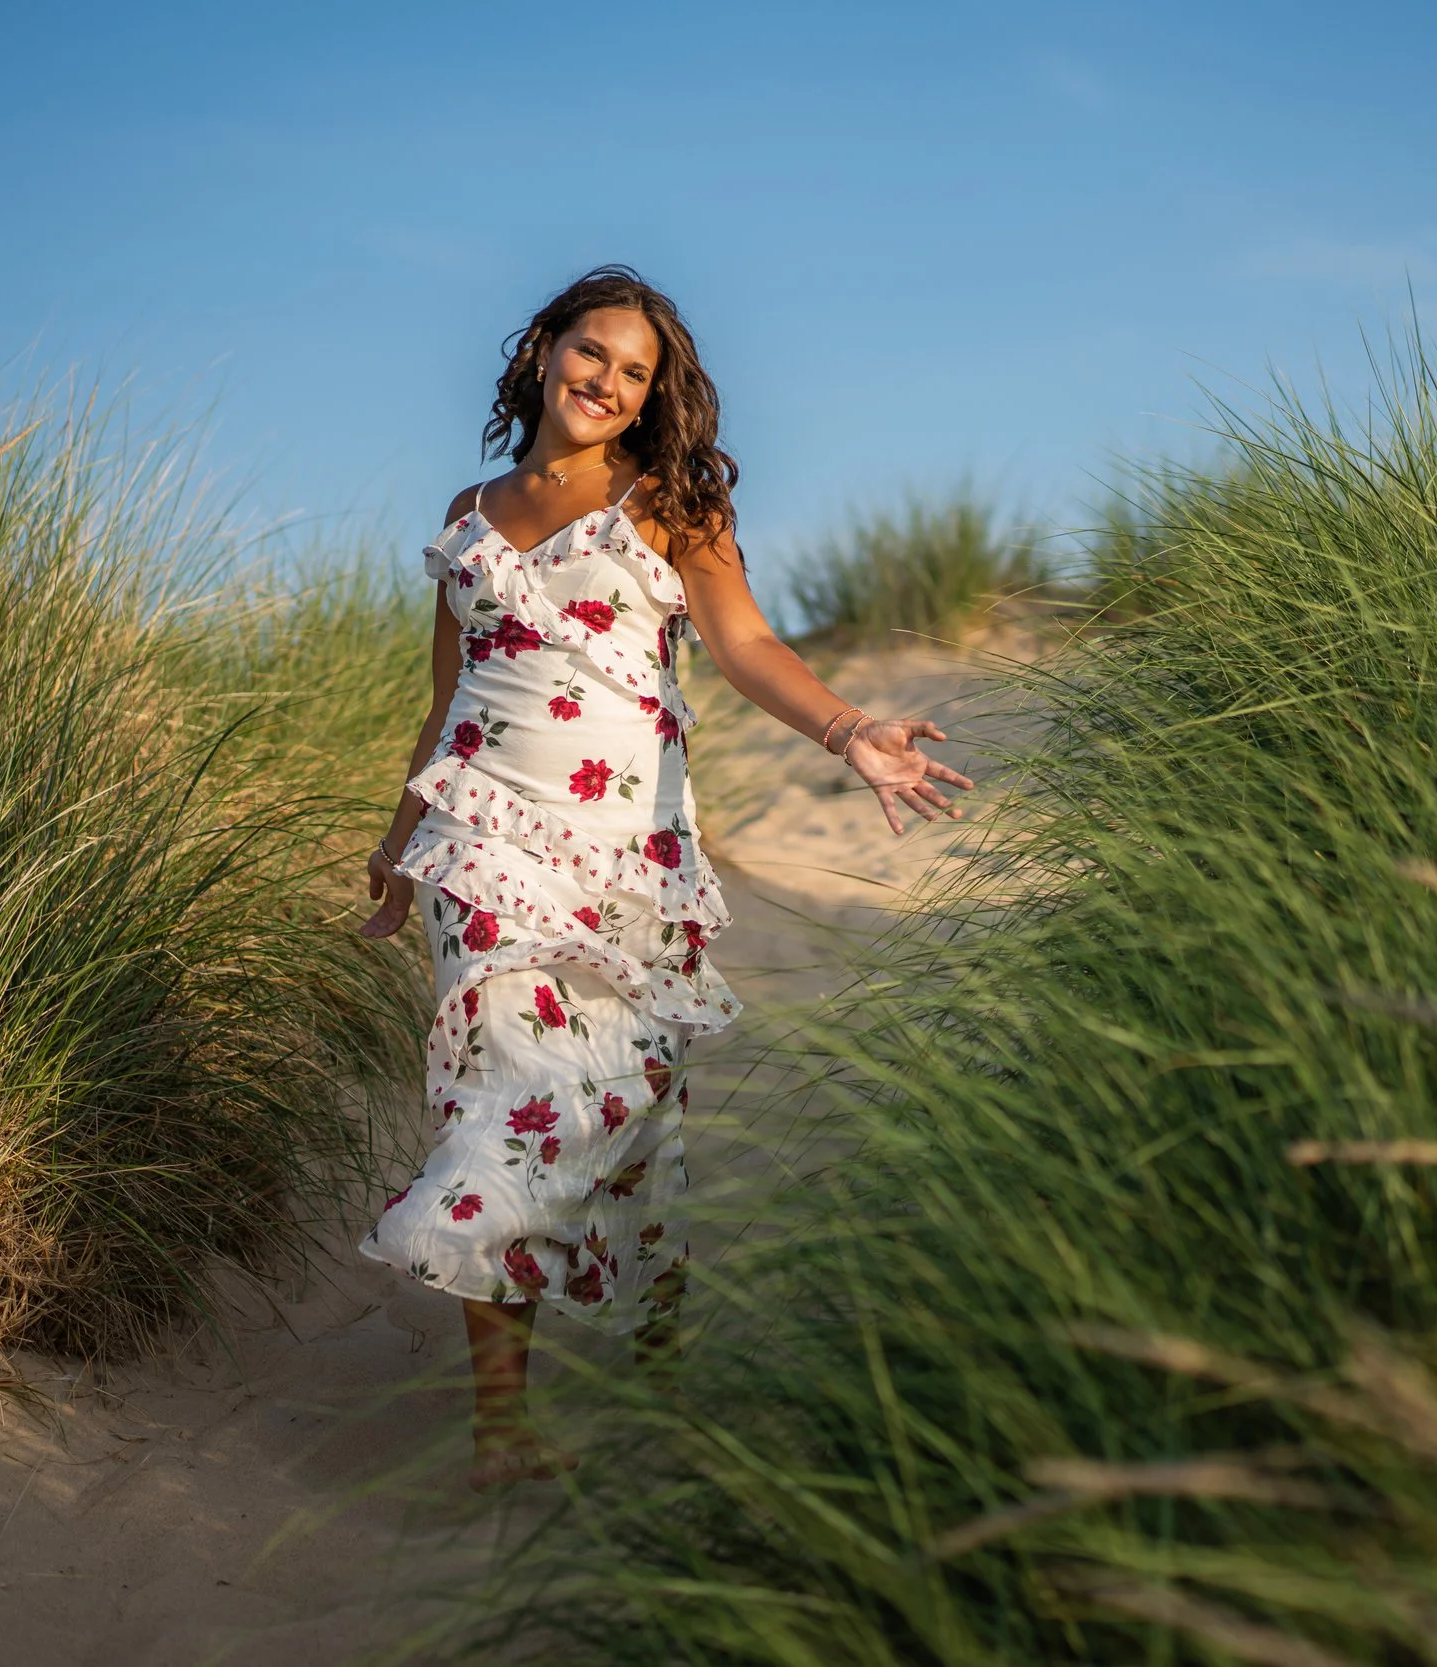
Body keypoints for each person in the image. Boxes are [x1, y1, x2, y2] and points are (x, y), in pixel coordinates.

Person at [356, 266, 972, 1489]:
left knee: (626, 1109)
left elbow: (741, 644)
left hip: (631, 862)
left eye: (635, 372)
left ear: (652, 396)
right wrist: (396, 843)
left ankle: (654, 1338)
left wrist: (852, 734)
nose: (607, 382)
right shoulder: (467, 510)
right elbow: (449, 704)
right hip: (483, 850)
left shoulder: (667, 503)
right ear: (543, 351)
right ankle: (502, 1432)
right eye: (591, 353)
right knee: (506, 1097)